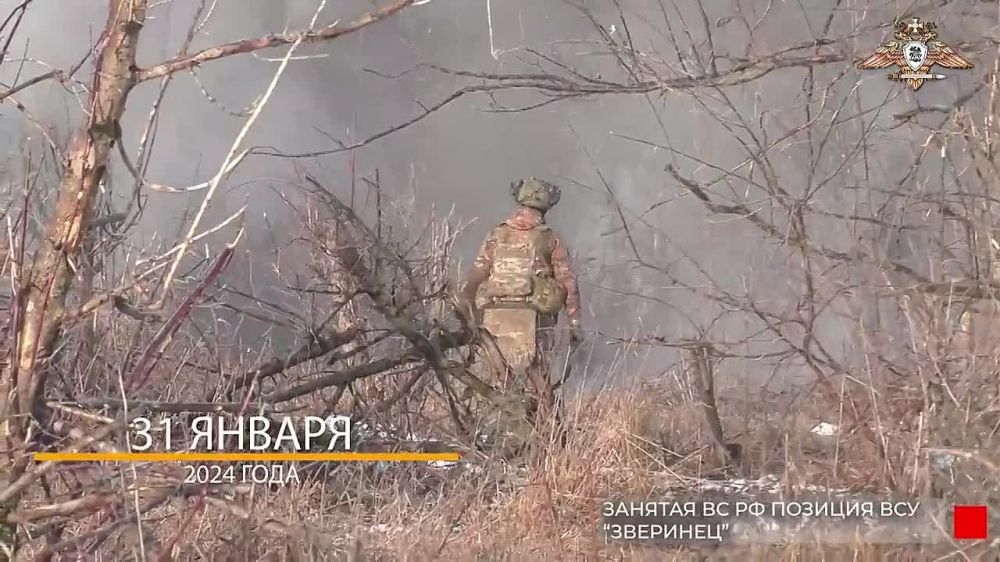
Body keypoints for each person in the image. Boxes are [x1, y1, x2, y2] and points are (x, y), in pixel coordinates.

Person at [459, 177, 582, 433]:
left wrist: (463, 305)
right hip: (533, 318)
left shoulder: (497, 234)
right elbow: (567, 281)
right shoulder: (549, 238)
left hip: (494, 316)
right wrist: (574, 321)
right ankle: (549, 433)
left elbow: (478, 272)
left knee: (499, 378)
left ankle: (501, 432)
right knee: (538, 377)